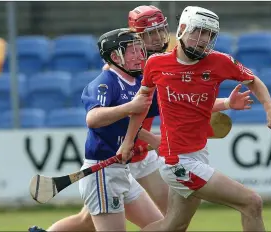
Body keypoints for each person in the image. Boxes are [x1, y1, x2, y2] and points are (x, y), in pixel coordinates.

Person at [29, 5, 254, 232]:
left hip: (136, 156)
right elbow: (111, 116)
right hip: (121, 155)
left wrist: (225, 103)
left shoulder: (160, 63)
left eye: (160, 30)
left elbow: (178, 102)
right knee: (108, 218)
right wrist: (149, 138)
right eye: (149, 34)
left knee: (163, 222)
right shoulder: (122, 72)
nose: (157, 38)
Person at [117, 6, 271, 232]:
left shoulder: (220, 62)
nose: (203, 40)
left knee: (174, 225)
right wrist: (129, 142)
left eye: (209, 35)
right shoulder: (156, 64)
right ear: (183, 29)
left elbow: (253, 80)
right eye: (199, 32)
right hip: (176, 162)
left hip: (198, 155)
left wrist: (270, 108)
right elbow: (140, 106)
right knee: (251, 202)